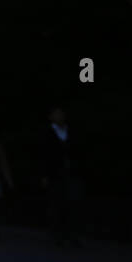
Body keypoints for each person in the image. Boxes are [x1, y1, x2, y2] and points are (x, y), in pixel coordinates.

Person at [41, 105, 82, 247]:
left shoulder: (71, 131)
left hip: (70, 172)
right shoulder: (48, 133)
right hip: (55, 173)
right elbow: (44, 155)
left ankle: (71, 235)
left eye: (61, 113)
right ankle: (55, 235)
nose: (59, 116)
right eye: (56, 114)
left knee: (72, 204)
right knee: (55, 205)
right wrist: (45, 174)